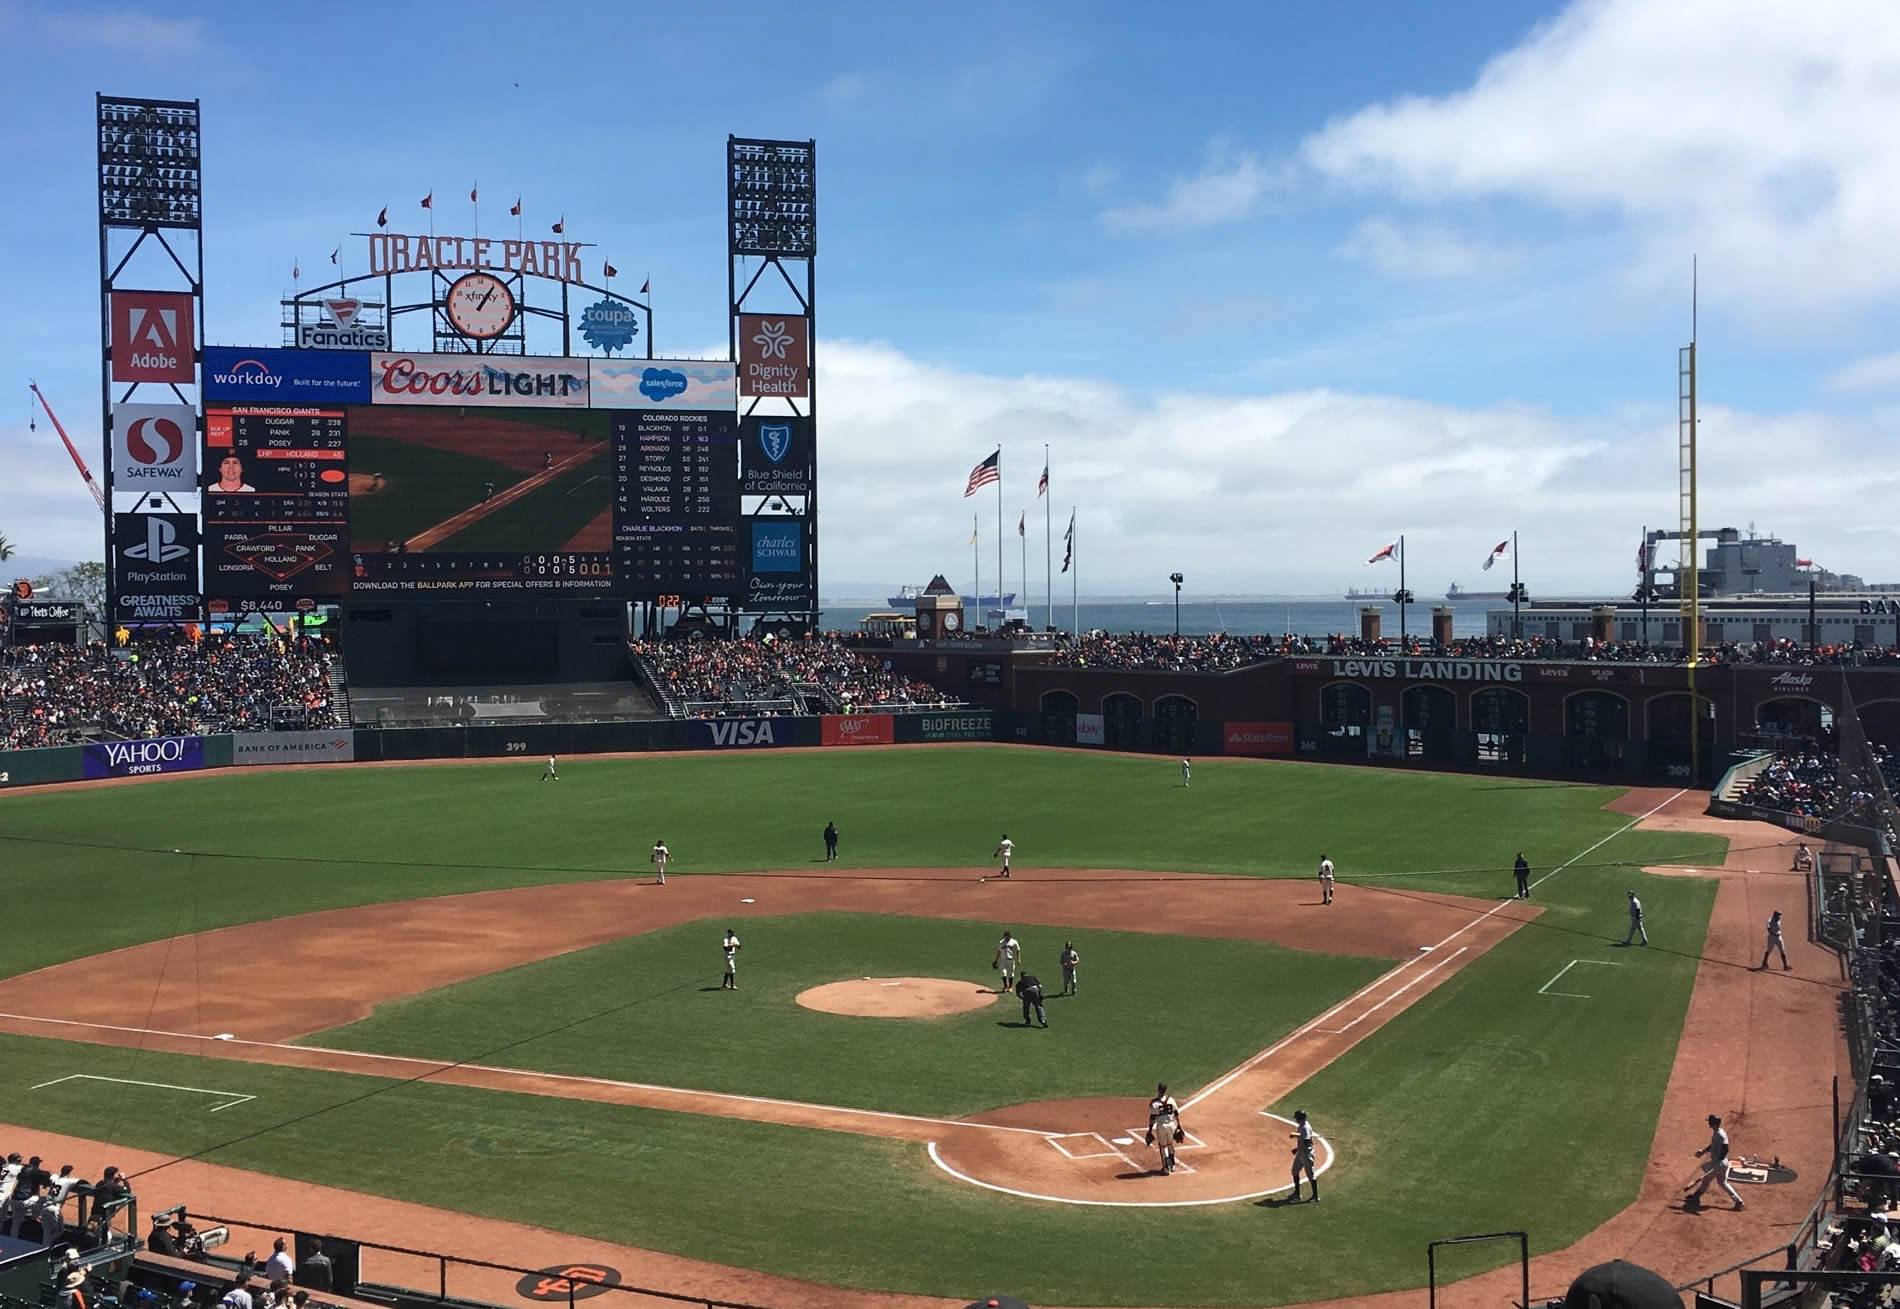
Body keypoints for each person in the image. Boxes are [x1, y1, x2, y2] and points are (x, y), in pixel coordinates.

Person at [1688, 1113, 1745, 1210]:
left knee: (1706, 1180)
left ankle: (1696, 1197)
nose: (1708, 1123)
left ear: (1713, 1123)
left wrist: (1719, 1161)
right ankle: (1739, 1202)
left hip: (1719, 1163)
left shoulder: (1720, 1134)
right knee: (1722, 1183)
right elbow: (1713, 1145)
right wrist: (1703, 1151)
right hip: (1721, 1162)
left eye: (1709, 1122)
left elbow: (1726, 1148)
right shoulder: (1717, 1132)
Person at [1147, 1084, 1184, 1175]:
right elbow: (1176, 1113)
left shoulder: (1155, 1103)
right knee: (1170, 1144)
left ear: (1159, 1090)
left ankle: (1166, 1168)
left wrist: (1150, 1130)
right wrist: (1179, 1126)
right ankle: (1172, 1165)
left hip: (1161, 1126)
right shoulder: (1171, 1100)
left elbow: (1152, 1118)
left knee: (1163, 1147)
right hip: (1172, 1125)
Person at [1289, 1109, 1319, 1202]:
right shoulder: (1302, 1125)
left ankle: (1315, 1196)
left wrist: (1297, 1149)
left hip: (1306, 1154)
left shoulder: (1305, 1128)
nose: (1296, 1120)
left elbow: (1306, 1142)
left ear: (1300, 1118)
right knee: (1294, 1171)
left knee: (1310, 1175)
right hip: (1301, 1153)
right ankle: (1297, 1193)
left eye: (1297, 1118)